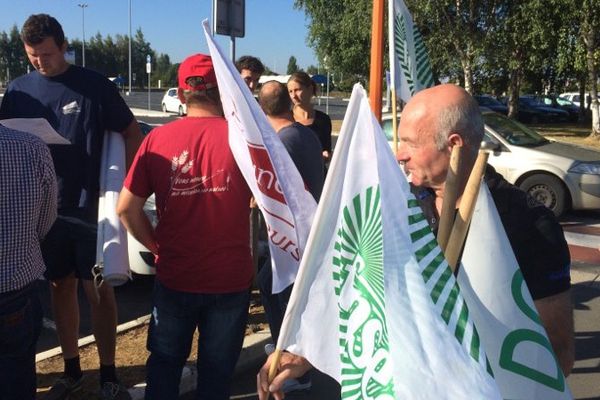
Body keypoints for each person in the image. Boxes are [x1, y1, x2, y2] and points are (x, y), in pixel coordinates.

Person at [257, 84, 574, 400]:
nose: (399, 153)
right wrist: (306, 354)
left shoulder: (527, 222)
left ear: (453, 144)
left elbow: (556, 355)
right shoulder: (401, 208)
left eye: (409, 142)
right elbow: (370, 305)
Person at [0, 14, 143, 400]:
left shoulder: (94, 87)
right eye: (32, 56)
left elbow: (131, 132)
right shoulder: (18, 91)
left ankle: (109, 373)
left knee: (99, 291)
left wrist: (126, 188)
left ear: (63, 47)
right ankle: (72, 368)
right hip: (43, 210)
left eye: (46, 53)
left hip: (90, 207)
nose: (40, 62)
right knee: (59, 287)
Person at [116, 53, 254, 400]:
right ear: (222, 90)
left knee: (164, 365)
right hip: (229, 278)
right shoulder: (244, 142)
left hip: (176, 275)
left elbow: (126, 209)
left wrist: (157, 246)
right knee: (217, 372)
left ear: (180, 93)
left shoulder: (157, 141)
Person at [0, 125, 57, 400]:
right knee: (17, 375)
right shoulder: (32, 148)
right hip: (15, 290)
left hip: (16, 293)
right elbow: (46, 218)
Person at [287, 71, 332, 164]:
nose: (293, 96)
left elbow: (327, 150)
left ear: (310, 89)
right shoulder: (286, 119)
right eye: (290, 91)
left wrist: (327, 155)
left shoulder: (324, 119)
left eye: (297, 90)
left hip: (318, 175)